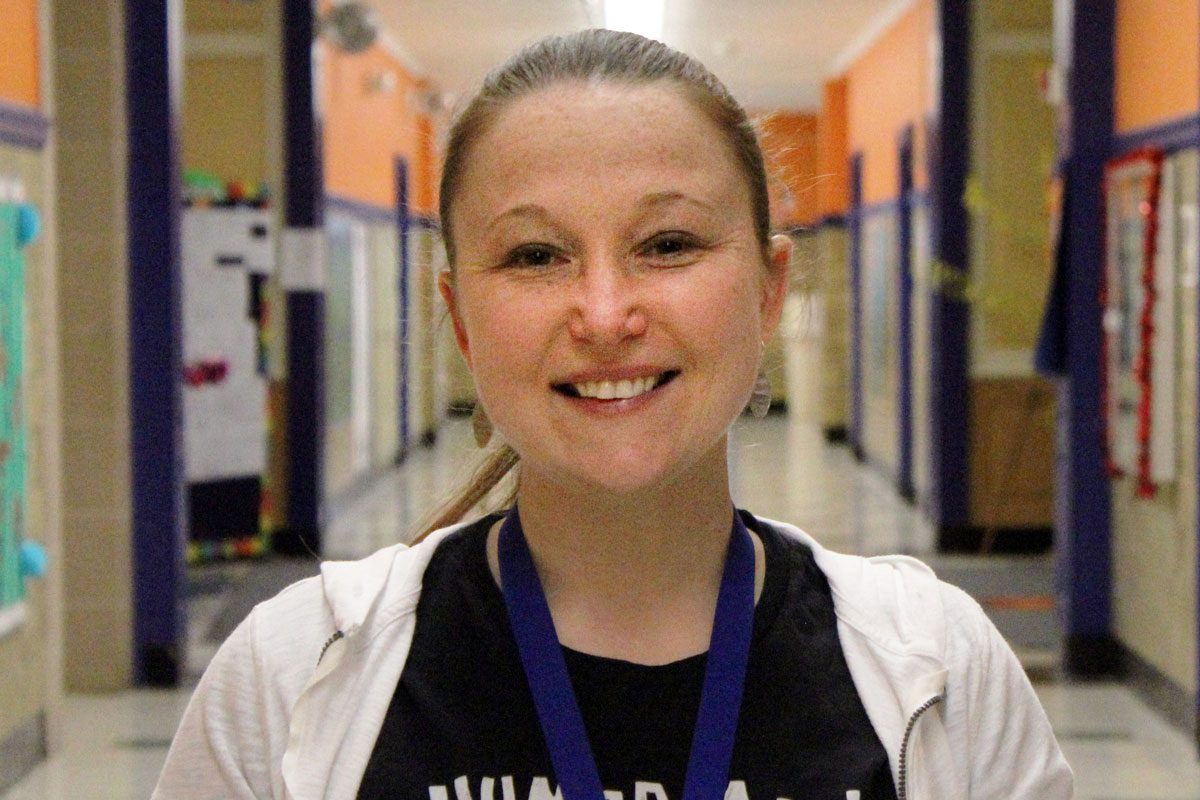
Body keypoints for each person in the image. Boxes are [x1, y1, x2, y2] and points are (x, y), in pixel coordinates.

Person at [153, 29, 1073, 800]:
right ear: (462, 321)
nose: (603, 313)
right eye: (534, 255)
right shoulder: (294, 679)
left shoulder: (938, 673)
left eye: (667, 243)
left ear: (767, 288)